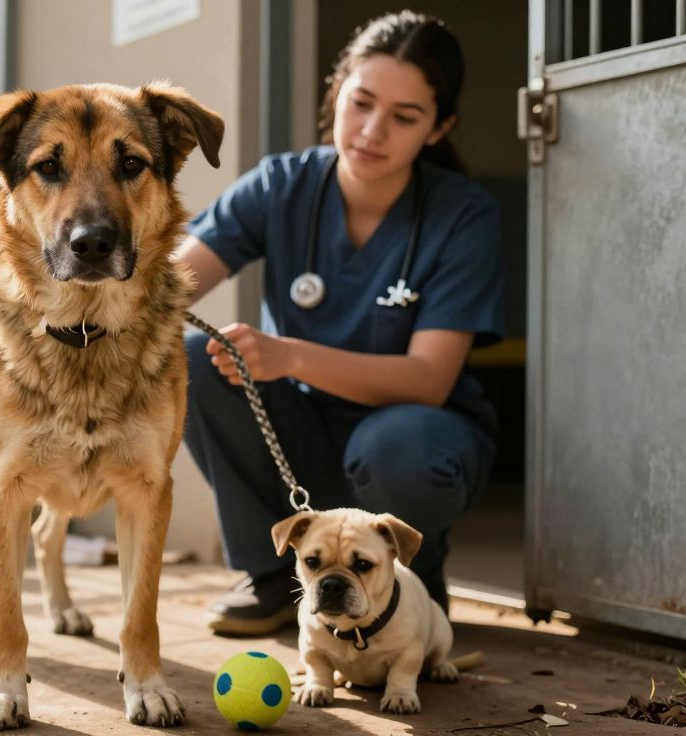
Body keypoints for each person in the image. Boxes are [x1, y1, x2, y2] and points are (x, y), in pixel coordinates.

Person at [176, 10, 503, 637]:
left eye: (405, 117)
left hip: (409, 445)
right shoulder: (282, 185)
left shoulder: (463, 216)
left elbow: (430, 379)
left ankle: (414, 586)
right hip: (304, 443)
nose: (373, 131)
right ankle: (275, 579)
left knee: (398, 445)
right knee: (195, 359)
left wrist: (292, 356)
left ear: (440, 129)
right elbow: (170, 284)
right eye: (362, 103)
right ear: (337, 95)